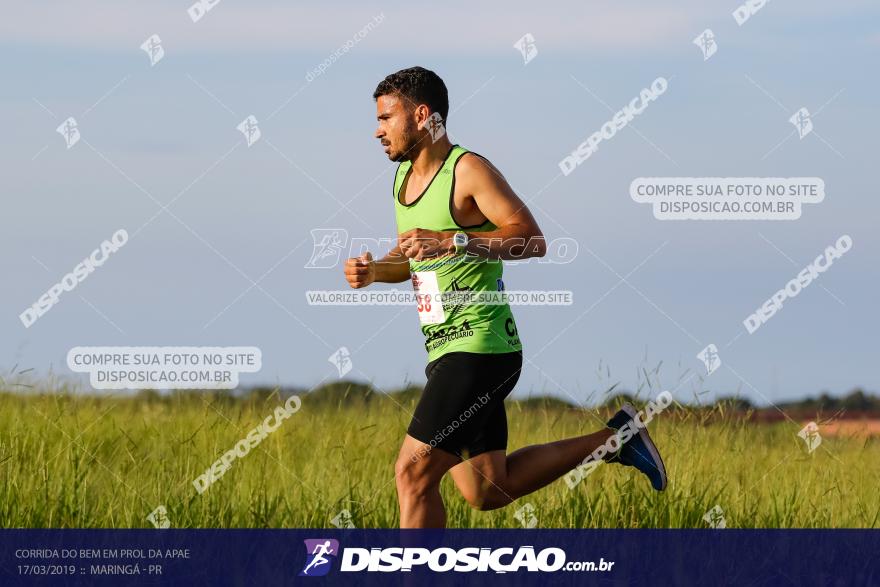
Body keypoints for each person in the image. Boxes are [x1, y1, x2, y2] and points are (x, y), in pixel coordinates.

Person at [344, 66, 667, 528]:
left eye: (386, 118)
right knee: (487, 488)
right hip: (444, 350)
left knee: (412, 475)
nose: (377, 130)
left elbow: (531, 239)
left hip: (479, 349)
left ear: (421, 115)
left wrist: (456, 241)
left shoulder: (467, 170)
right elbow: (412, 255)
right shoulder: (401, 182)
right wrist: (376, 270)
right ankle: (617, 438)